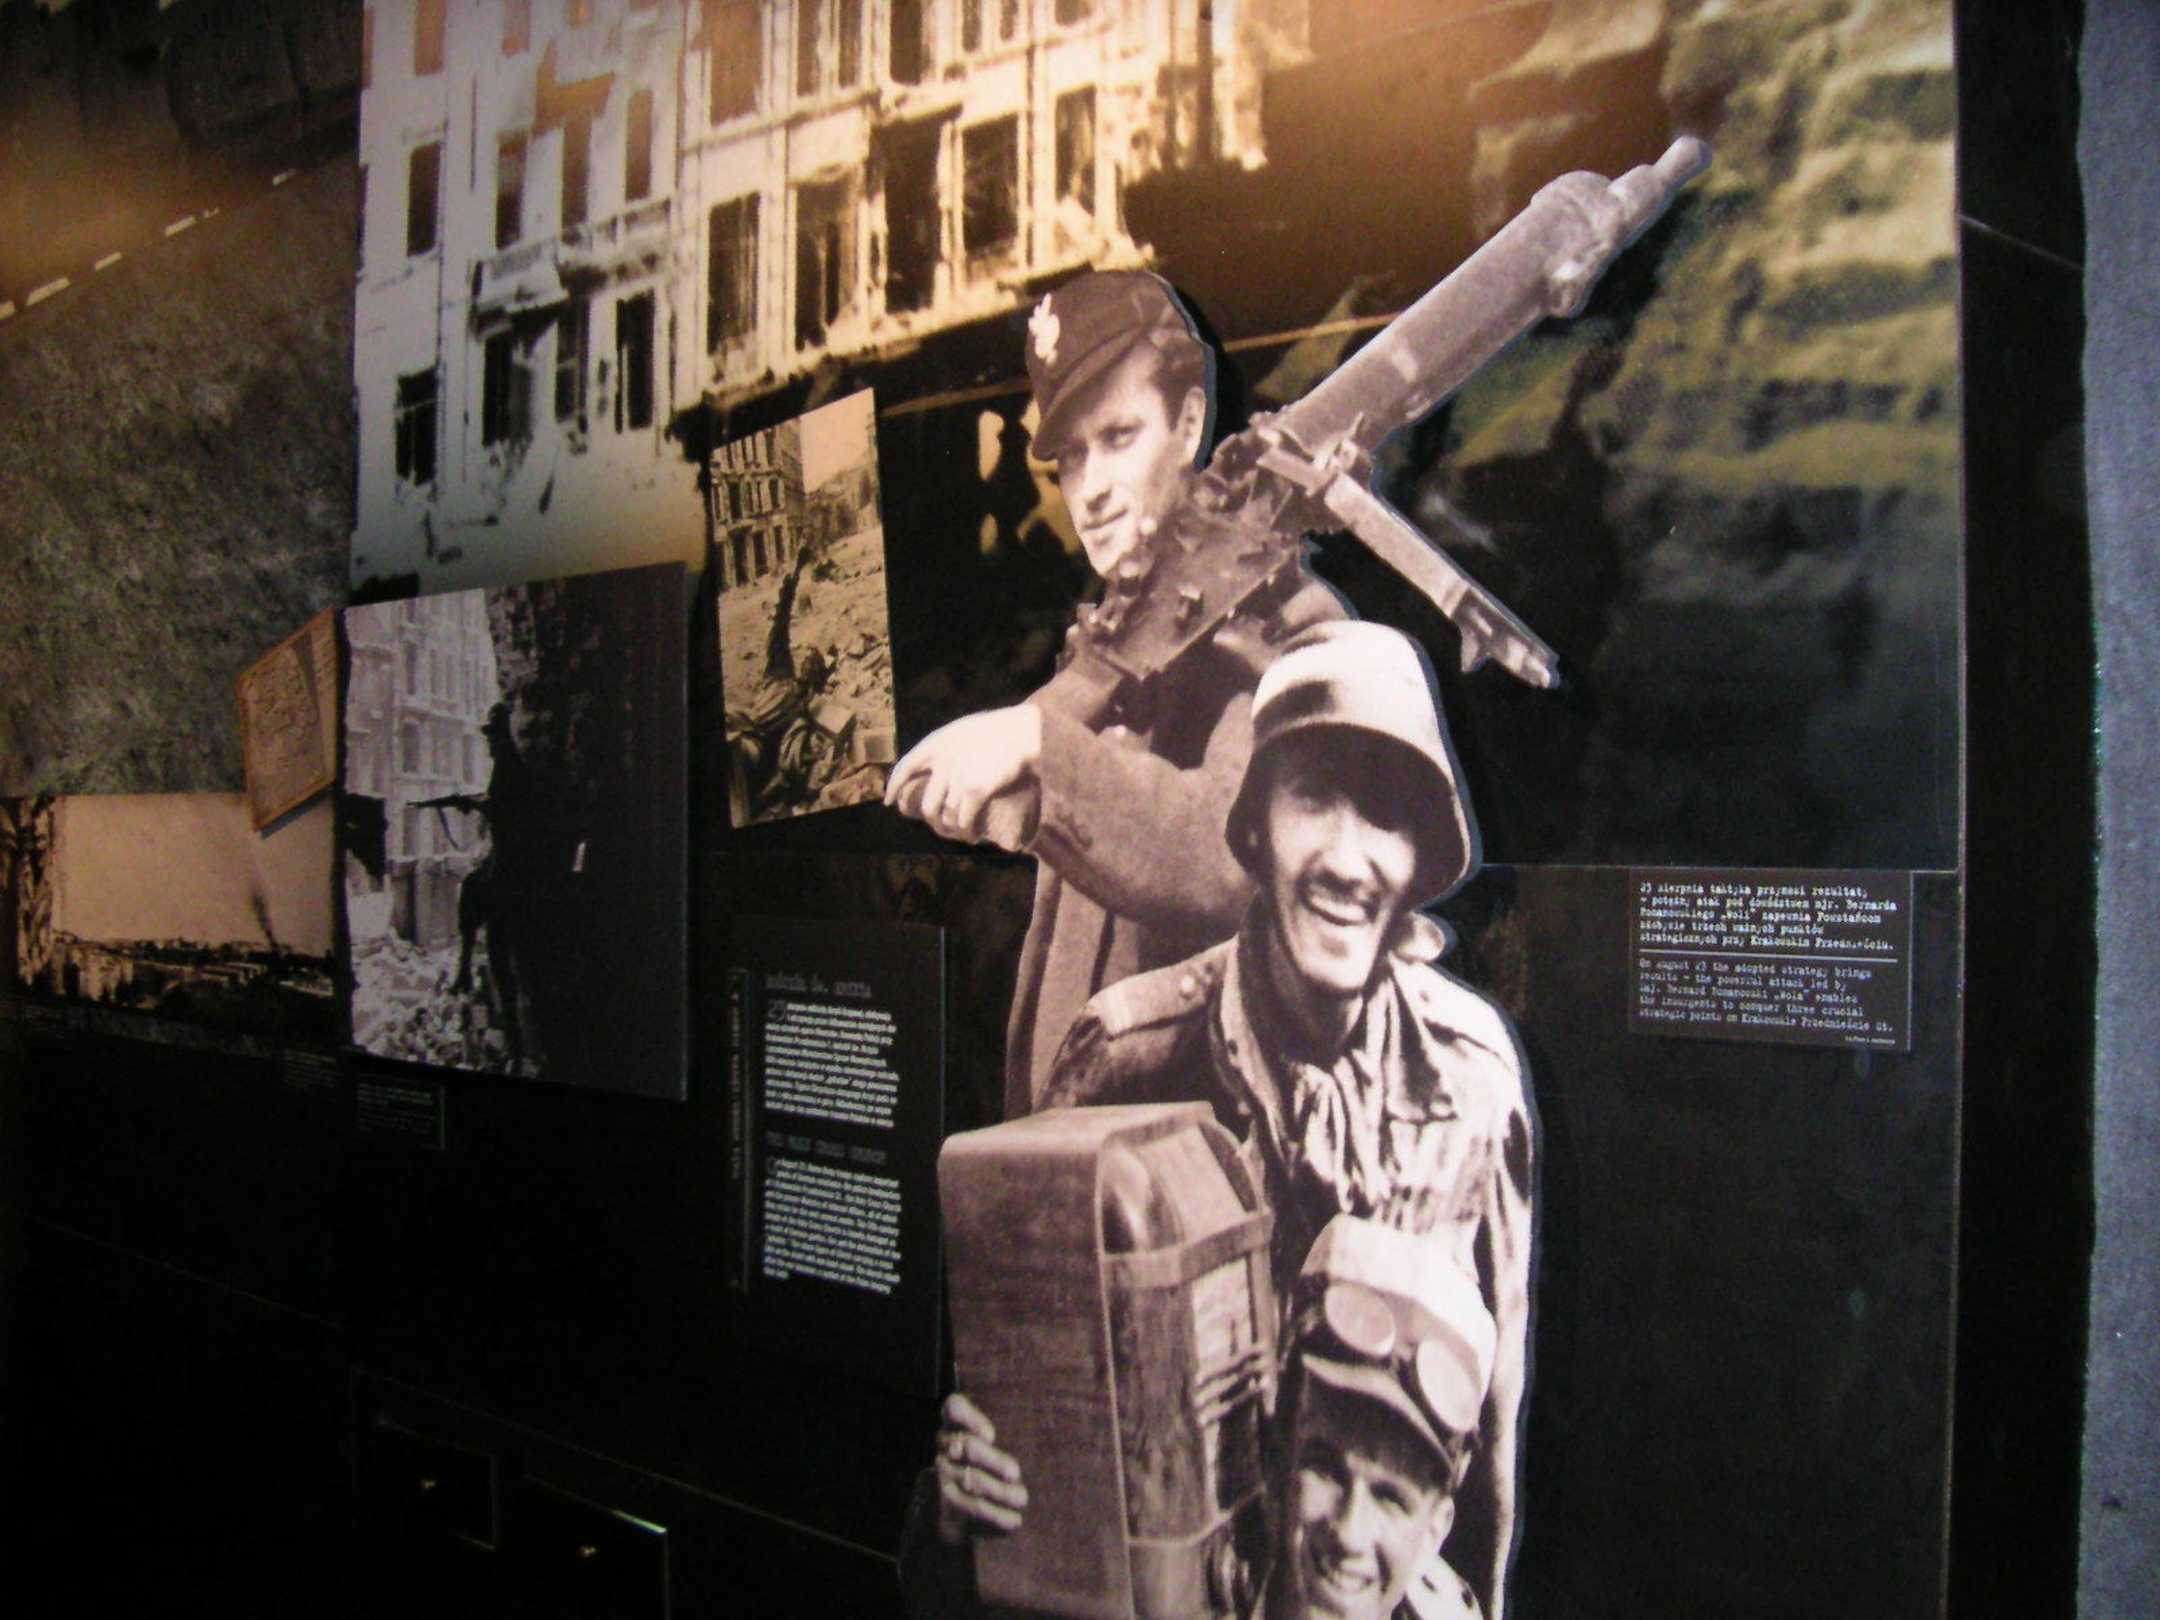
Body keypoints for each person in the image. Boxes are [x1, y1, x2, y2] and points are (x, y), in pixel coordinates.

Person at [938, 620, 1533, 1620]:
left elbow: (1486, 1454)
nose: (1348, 860)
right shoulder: (1132, 1053)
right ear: (1254, 829)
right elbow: (1033, 1403)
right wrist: (974, 1482)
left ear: (1419, 857)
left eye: (1385, 818)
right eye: (1315, 799)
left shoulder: (1472, 1078)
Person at [885, 270, 1340, 1116]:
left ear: (1190, 424)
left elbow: (1230, 858)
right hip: (1082, 1156)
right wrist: (1027, 801)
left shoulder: (1278, 623)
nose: (1089, 489)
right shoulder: (1114, 642)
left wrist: (1037, 748)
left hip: (1205, 1168)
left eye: (1120, 436)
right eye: (1070, 457)